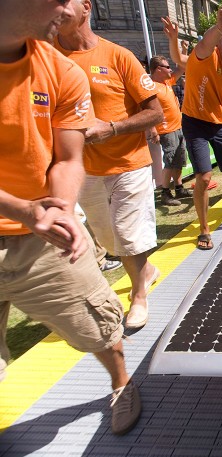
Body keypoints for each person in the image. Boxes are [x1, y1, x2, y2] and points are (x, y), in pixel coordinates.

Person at [0, 0, 140, 434]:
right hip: (24, 214)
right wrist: (21, 209)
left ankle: (122, 383)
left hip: (39, 236)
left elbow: (67, 157)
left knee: (97, 323)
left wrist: (60, 208)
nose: (65, 9)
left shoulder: (62, 71)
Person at [56, 0, 165, 329]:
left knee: (126, 234)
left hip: (128, 163)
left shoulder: (119, 56)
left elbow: (155, 112)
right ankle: (146, 271)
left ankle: (139, 296)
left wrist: (112, 128)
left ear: (86, 7)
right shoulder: (46, 58)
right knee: (108, 239)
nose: (55, 9)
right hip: (83, 169)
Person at [162, 3, 222, 251]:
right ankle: (204, 230)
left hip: (220, 123)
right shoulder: (206, 55)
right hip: (194, 123)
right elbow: (204, 43)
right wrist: (221, 27)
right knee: (203, 176)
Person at [148, 55, 191, 206]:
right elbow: (147, 109)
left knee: (178, 159)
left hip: (178, 126)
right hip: (166, 130)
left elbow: (182, 68)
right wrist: (153, 129)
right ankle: (165, 193)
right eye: (167, 67)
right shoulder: (151, 87)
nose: (170, 69)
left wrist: (183, 51)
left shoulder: (167, 82)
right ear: (158, 69)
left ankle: (179, 187)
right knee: (170, 161)